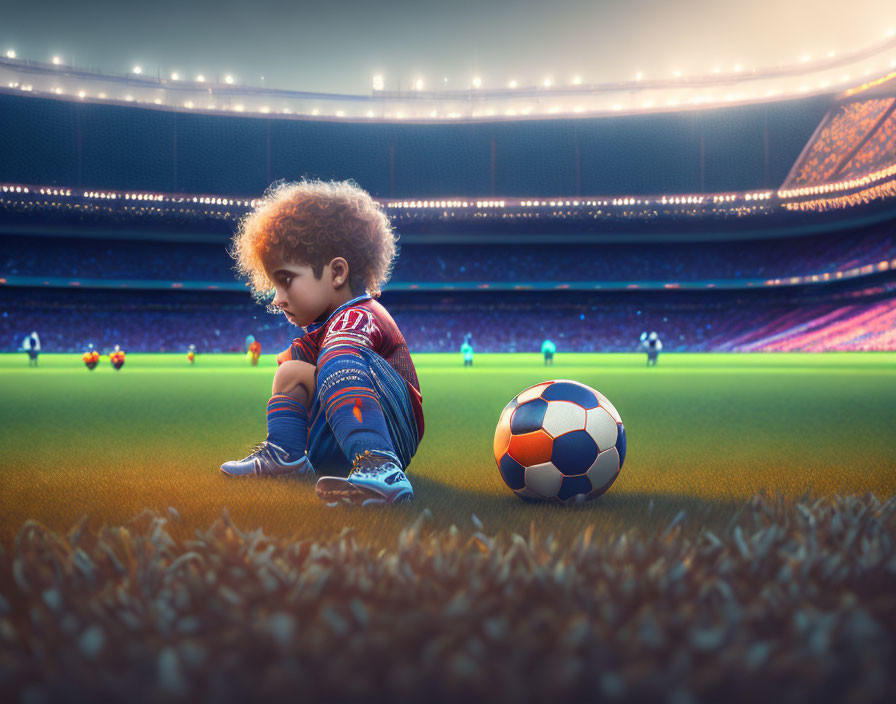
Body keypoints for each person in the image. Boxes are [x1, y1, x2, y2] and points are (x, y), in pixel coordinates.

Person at [220, 179, 424, 507]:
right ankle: (286, 458)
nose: (276, 299)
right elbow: (298, 367)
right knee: (291, 372)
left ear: (337, 273)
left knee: (337, 356)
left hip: (393, 427)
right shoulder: (326, 327)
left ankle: (380, 464)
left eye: (286, 281)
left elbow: (340, 356)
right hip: (344, 427)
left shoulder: (360, 315)